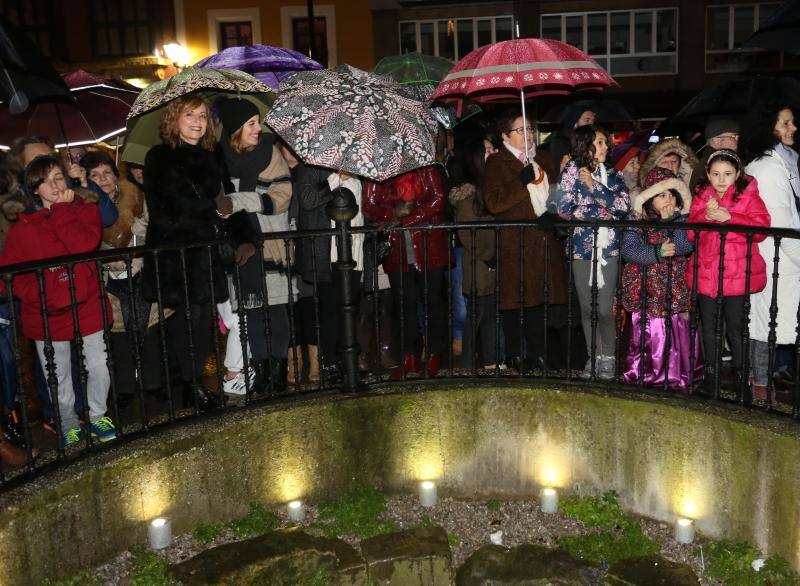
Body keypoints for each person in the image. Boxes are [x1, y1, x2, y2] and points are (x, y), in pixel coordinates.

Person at [0, 156, 117, 447]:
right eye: (45, 180)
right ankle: (66, 422)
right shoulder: (23, 230)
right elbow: (7, 277)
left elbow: (81, 246)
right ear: (34, 190)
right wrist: (38, 294)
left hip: (87, 302)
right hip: (46, 313)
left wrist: (63, 210)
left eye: (58, 177)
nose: (54, 184)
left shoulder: (85, 211)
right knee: (59, 375)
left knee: (98, 365)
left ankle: (97, 415)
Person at [141, 95, 230, 409]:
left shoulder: (212, 153)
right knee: (187, 320)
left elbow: (224, 195)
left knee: (204, 320)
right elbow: (166, 210)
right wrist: (212, 208)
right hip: (176, 255)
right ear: (174, 119)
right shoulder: (159, 157)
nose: (197, 121)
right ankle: (190, 387)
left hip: (205, 252)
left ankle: (194, 385)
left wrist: (228, 212)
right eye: (190, 114)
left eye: (203, 116)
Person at [214, 97, 295, 395]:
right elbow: (218, 201)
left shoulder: (270, 152)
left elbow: (283, 195)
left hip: (270, 244)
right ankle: (261, 371)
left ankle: (277, 371)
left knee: (275, 310)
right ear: (236, 129)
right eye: (251, 124)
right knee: (252, 313)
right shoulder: (219, 158)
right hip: (241, 247)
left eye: (257, 122)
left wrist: (238, 201)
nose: (258, 128)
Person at [483, 109, 568, 373]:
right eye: (521, 130)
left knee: (539, 303)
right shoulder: (497, 163)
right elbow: (494, 203)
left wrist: (553, 212)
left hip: (542, 242)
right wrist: (522, 182)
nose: (528, 134)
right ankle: (515, 354)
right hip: (515, 244)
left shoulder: (542, 157)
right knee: (515, 302)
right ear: (505, 135)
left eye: (530, 129)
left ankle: (538, 355)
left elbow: (555, 190)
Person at [688, 149, 770, 395]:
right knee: (711, 329)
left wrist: (730, 218)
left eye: (727, 174)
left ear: (737, 174)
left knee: (737, 329)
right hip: (707, 274)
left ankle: (742, 382)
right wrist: (706, 216)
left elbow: (761, 229)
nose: (721, 179)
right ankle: (711, 379)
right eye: (716, 174)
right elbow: (691, 232)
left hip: (736, 274)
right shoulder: (702, 196)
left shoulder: (749, 196)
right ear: (708, 175)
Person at [556, 125, 631, 379]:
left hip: (608, 248)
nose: (606, 147)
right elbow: (564, 209)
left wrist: (595, 188)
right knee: (587, 308)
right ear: (585, 144)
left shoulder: (613, 173)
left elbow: (622, 207)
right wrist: (601, 210)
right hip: (580, 249)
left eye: (605, 143)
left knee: (605, 308)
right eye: (600, 142)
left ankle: (608, 356)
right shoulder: (570, 172)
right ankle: (593, 356)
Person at [362, 165, 450, 379]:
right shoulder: (377, 170)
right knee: (404, 304)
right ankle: (409, 356)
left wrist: (406, 219)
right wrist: (392, 213)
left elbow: (438, 198)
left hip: (429, 243)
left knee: (433, 302)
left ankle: (434, 354)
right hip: (396, 246)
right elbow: (369, 206)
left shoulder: (425, 166)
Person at [621, 167, 700, 390]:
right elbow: (629, 250)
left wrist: (672, 222)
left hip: (674, 290)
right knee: (651, 334)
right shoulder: (637, 220)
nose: (668, 199)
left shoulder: (681, 220)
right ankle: (648, 372)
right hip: (647, 290)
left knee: (676, 332)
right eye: (662, 195)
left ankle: (678, 373)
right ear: (649, 199)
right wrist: (656, 252)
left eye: (671, 194)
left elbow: (684, 246)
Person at [741, 105, 800, 400]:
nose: (793, 128)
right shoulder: (768, 168)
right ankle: (762, 389)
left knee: (767, 324)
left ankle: (762, 386)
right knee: (766, 325)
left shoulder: (782, 163)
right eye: (786, 123)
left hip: (781, 258)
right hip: (778, 258)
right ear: (769, 127)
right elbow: (782, 224)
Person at [294, 163, 364, 383]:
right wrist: (335, 178)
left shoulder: (359, 170)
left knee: (350, 309)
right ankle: (330, 362)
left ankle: (347, 361)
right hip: (327, 252)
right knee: (331, 311)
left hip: (355, 250)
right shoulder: (311, 169)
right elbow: (307, 200)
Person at [448, 135, 502, 370]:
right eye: (488, 149)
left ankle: (490, 362)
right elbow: (467, 233)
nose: (493, 153)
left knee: (490, 316)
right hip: (479, 264)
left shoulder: (488, 186)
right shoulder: (469, 193)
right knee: (475, 316)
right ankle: (469, 364)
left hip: (490, 263)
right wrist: (489, 255)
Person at [690, 119, 740, 193]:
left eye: (738, 137)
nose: (737, 140)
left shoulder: (722, 161)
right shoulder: (707, 165)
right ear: (716, 141)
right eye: (733, 137)